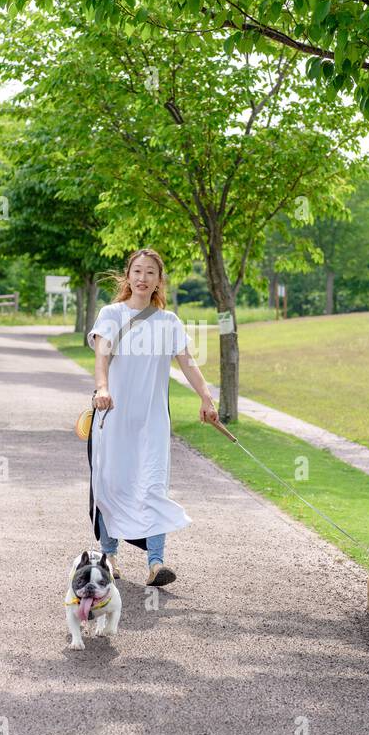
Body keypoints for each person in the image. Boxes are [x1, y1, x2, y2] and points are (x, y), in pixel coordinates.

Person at [87, 249, 219, 586]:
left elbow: (188, 362)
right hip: (113, 416)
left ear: (159, 280)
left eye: (150, 273)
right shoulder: (111, 314)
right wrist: (102, 387)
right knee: (111, 483)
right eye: (137, 271)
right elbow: (102, 357)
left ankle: (156, 563)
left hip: (152, 420)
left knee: (153, 485)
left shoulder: (168, 322)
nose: (143, 278)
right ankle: (108, 555)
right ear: (127, 276)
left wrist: (206, 397)